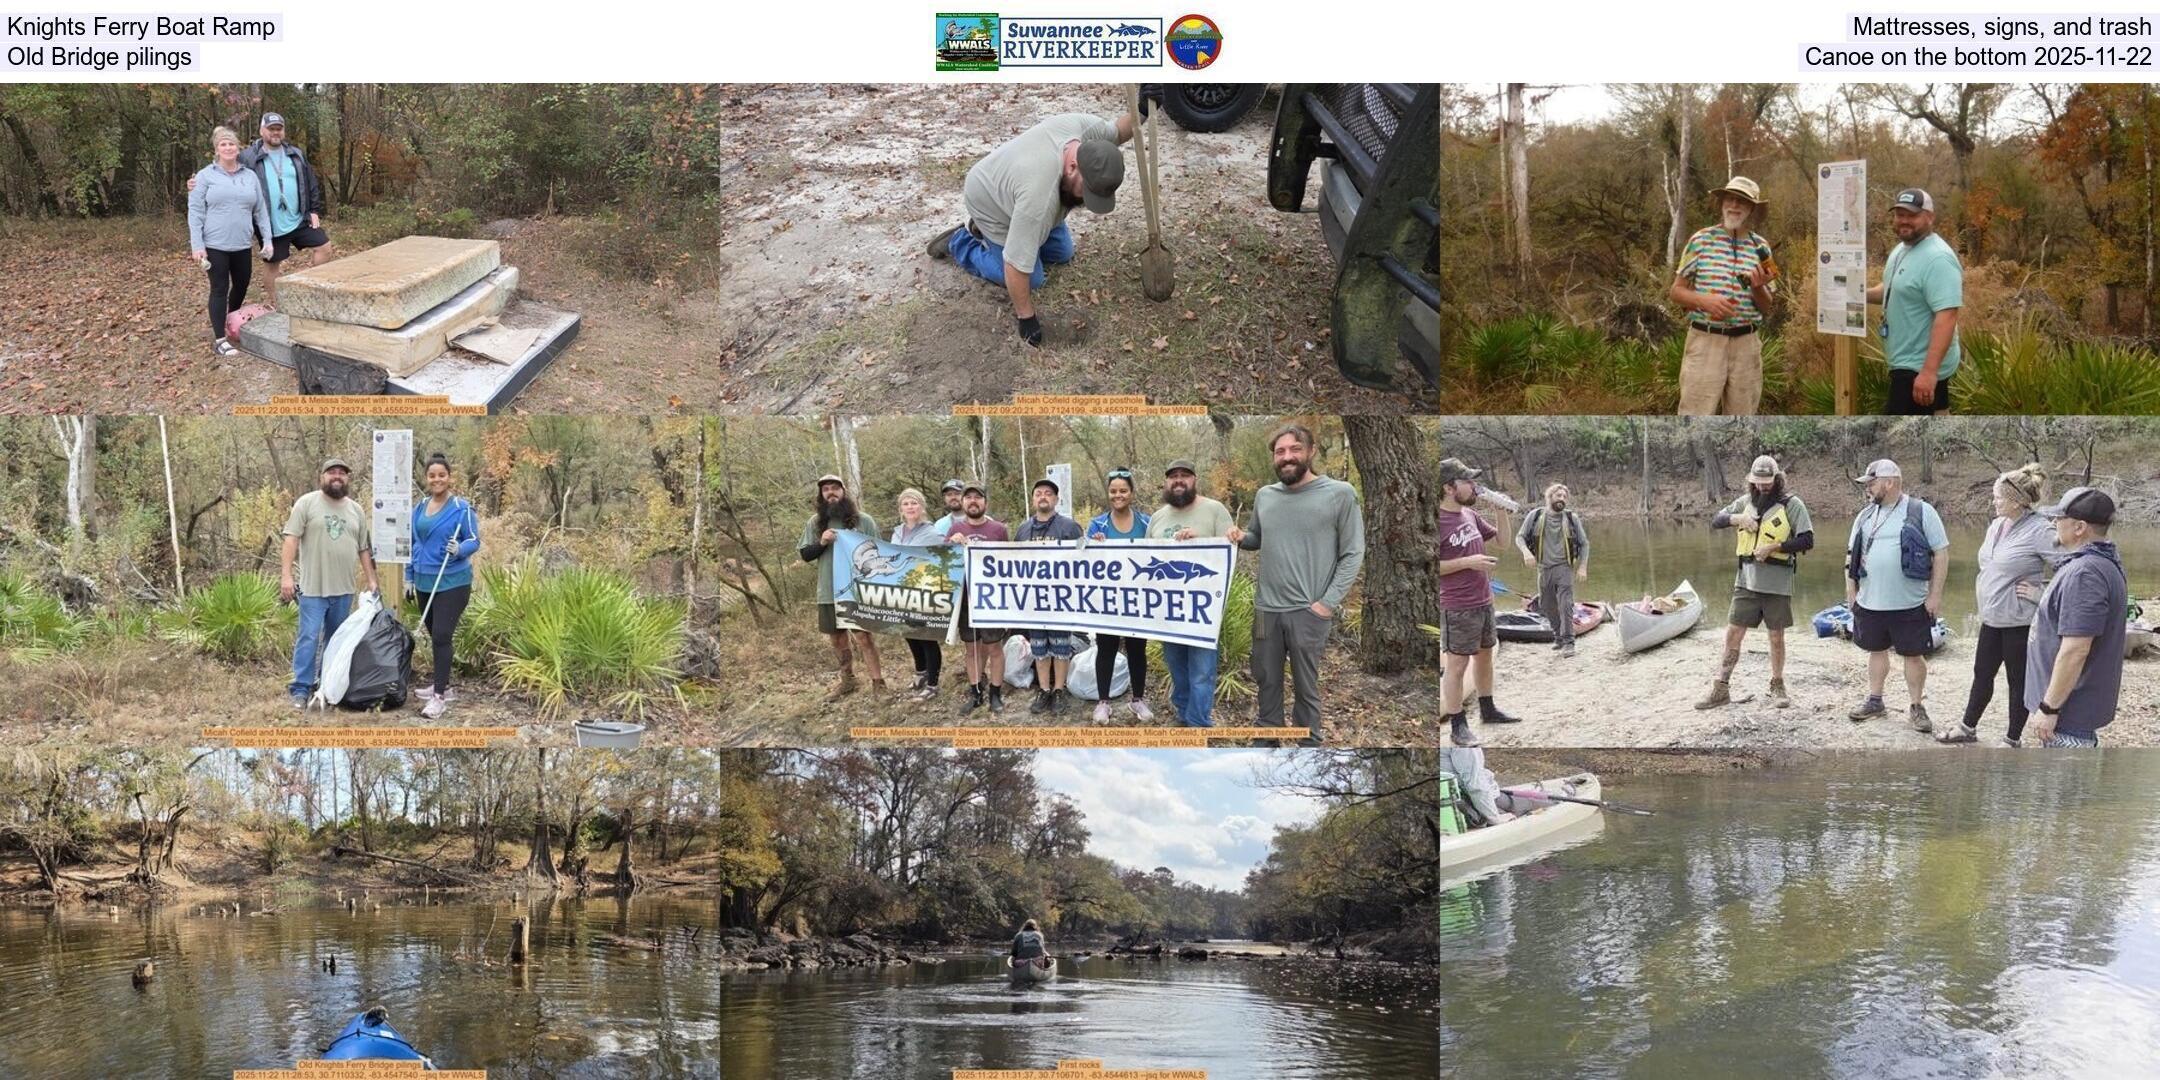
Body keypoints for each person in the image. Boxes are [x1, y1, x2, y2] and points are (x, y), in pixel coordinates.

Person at [926, 112, 1135, 347]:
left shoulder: (1082, 132)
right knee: (1033, 278)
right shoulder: (1039, 198)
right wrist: (1027, 318)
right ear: (1073, 166)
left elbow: (1117, 132)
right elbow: (1016, 265)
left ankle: (1002, 232)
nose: (1087, 201)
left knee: (1062, 253)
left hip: (1015, 186)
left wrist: (1144, 109)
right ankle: (960, 242)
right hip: (988, 200)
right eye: (1086, 193)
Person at [1235, 425, 1366, 745]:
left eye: (1294, 449)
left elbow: (1353, 553)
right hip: (1266, 610)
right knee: (1266, 677)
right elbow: (1256, 539)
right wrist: (1239, 537)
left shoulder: (1339, 493)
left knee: (1306, 683)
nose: (1287, 457)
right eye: (1280, 452)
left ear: (1311, 451)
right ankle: (1269, 736)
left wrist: (1325, 604)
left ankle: (1308, 742)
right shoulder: (1266, 495)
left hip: (1308, 611)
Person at [1940, 465, 2054, 746]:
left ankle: (2012, 740)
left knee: (2017, 682)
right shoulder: (1996, 526)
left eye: (1998, 497)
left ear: (2017, 501)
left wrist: (2042, 592)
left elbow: (2072, 568)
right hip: (1991, 618)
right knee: (1982, 674)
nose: (1994, 502)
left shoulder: (2040, 530)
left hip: (2019, 622)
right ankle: (1967, 729)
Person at [1698, 455, 1815, 709]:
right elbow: (1716, 520)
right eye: (1758, 482)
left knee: (1776, 637)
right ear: (1751, 480)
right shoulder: (1745, 502)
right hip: (1746, 582)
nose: (1763, 486)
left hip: (1777, 584)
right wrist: (1737, 519)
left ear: (1777, 479)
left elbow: (1807, 540)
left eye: (1767, 482)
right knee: (1733, 634)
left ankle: (1777, 685)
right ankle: (1721, 688)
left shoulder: (1792, 505)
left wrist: (1774, 547)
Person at [1844, 459, 1951, 731]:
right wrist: (1851, 592)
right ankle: (1875, 701)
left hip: (1911, 602)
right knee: (1875, 651)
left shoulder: (1921, 511)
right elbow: (1850, 557)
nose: (1868, 488)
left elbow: (1941, 553)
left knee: (1913, 655)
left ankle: (1916, 707)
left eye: (1872, 482)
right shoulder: (1865, 515)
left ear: (1889, 483)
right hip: (1870, 601)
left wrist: (1934, 596)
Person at [2025, 487, 2130, 748]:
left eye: (2059, 518)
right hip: (2069, 714)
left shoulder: (2086, 574)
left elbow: (2075, 650)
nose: (2053, 523)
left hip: (2068, 719)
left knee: (2064, 789)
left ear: (2079, 527)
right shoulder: (2099, 562)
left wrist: (2049, 708)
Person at [1668, 176, 1780, 416]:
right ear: (1721, 203)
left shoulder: (1761, 247)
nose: (1734, 206)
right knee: (1695, 418)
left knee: (1743, 420)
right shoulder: (1701, 240)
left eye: (1742, 201)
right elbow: (1675, 291)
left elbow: (1766, 306)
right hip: (1705, 341)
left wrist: (1758, 287)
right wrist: (1704, 301)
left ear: (1751, 209)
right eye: (1730, 199)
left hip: (1746, 346)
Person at [1146, 459, 1236, 728]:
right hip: (1168, 610)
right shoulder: (1158, 517)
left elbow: (1229, 554)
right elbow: (1148, 557)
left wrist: (1201, 543)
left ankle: (1199, 723)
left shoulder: (1214, 510)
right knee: (1177, 670)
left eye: (1185, 475)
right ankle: (1183, 714)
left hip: (1202, 611)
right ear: (1166, 482)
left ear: (1195, 480)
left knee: (1202, 672)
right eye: (1173, 476)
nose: (1179, 480)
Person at [281, 458, 378, 708]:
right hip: (313, 589)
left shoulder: (356, 510)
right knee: (309, 638)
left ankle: (327, 687)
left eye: (342, 474)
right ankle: (301, 689)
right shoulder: (307, 503)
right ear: (322, 477)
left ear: (347, 479)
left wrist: (371, 580)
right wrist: (286, 576)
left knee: (336, 640)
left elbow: (364, 548)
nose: (337, 477)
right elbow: (291, 540)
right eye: (332, 472)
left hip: (344, 590)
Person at [1437, 458, 1516, 747]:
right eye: (1467, 481)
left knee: (1485, 656)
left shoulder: (1469, 515)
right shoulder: (1436, 520)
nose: (1473, 486)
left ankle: (1488, 709)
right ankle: (1458, 725)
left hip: (1484, 600)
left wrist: (1501, 512)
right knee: (1457, 666)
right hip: (1457, 606)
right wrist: (1468, 561)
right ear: (1448, 487)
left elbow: (1503, 543)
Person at [1868, 188, 1962, 415]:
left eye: (1912, 215)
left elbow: (1947, 316)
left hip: (1917, 367)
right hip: (1906, 361)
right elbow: (1893, 289)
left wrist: (1929, 373)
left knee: (1897, 442)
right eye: (1900, 215)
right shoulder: (1902, 249)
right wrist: (1857, 295)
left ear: (1930, 217)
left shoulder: (1938, 258)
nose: (1904, 221)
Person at [187, 126, 275, 357]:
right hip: (215, 245)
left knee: (242, 284)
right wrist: (198, 245)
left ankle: (230, 318)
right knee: (219, 288)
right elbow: (195, 211)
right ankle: (219, 339)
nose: (228, 147)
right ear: (216, 149)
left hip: (242, 244)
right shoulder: (205, 176)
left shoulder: (249, 176)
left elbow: (261, 211)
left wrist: (267, 239)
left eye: (231, 144)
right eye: (223, 144)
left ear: (238, 148)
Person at [405, 453, 482, 719]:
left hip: (452, 581)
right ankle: (443, 685)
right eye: (432, 475)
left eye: (442, 475)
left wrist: (460, 548)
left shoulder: (461, 508)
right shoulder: (419, 508)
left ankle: (438, 698)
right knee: (434, 634)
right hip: (425, 581)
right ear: (426, 478)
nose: (437, 479)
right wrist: (409, 577)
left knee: (441, 635)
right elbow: (412, 545)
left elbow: (474, 540)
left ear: (449, 477)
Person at [799, 474, 886, 701]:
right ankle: (848, 680)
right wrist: (822, 542)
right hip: (828, 590)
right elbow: (805, 554)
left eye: (835, 488)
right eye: (826, 489)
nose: (831, 493)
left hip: (856, 590)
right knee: (837, 639)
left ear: (843, 491)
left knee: (863, 637)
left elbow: (880, 551)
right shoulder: (815, 523)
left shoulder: (863, 520)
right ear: (821, 495)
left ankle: (878, 682)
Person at [1086, 468, 1154, 722]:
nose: (1118, 495)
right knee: (1106, 648)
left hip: (1139, 598)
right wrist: (1093, 543)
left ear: (1132, 493)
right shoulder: (1098, 523)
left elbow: (1162, 552)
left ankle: (1137, 700)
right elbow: (1081, 552)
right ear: (1108, 493)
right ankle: (1103, 702)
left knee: (1138, 649)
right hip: (1107, 599)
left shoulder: (1147, 523)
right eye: (1113, 491)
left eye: (1123, 490)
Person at [1018, 478, 1085, 713]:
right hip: (1034, 601)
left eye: (1048, 493)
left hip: (1061, 600)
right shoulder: (1023, 529)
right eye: (1039, 493)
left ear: (1056, 499)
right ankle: (1044, 690)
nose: (1043, 496)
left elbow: (1085, 560)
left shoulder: (1069, 527)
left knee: (1061, 647)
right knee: (1039, 648)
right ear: (1034, 498)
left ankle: (1059, 690)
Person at [949, 482, 1012, 714]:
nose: (973, 501)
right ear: (963, 502)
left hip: (991, 598)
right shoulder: (955, 529)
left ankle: (995, 693)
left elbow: (1010, 563)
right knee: (972, 649)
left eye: (978, 497)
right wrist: (950, 544)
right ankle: (975, 693)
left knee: (994, 647)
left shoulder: (998, 529)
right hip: (964, 599)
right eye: (969, 497)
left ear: (985, 502)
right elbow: (945, 564)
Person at [242, 112, 331, 274]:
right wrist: (197, 183)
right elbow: (227, 174)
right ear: (262, 130)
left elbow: (310, 182)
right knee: (272, 265)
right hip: (269, 226)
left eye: (279, 129)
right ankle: (275, 300)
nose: (276, 132)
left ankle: (313, 285)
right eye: (271, 128)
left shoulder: (295, 154)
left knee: (324, 247)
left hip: (299, 219)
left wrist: (313, 210)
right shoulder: (248, 158)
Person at [1514, 483, 1589, 658]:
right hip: (1543, 568)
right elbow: (1520, 537)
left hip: (1565, 567)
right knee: (1546, 605)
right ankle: (1558, 636)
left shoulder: (1571, 518)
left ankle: (1569, 642)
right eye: (1558, 495)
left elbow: (1584, 543)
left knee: (1565, 604)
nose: (1561, 499)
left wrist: (1583, 566)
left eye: (1564, 497)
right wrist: (1526, 553)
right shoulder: (1536, 516)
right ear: (1549, 497)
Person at [891, 487, 948, 702]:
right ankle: (921, 672)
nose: (910, 507)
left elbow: (946, 555)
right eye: (906, 504)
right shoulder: (897, 532)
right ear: (901, 509)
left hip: (925, 591)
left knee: (926, 637)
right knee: (909, 632)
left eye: (914, 503)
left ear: (921, 507)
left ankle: (933, 684)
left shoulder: (931, 532)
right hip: (902, 591)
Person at [1440, 745, 1516, 827]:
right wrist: (1494, 818)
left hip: (1445, 801)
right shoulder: (1463, 744)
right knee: (1527, 804)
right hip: (1462, 804)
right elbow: (1475, 785)